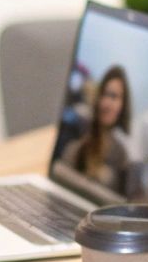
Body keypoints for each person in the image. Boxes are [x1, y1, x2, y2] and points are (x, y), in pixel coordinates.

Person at [58, 66, 137, 199]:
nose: (106, 103)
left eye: (114, 96)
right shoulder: (78, 129)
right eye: (104, 94)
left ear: (123, 105)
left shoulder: (122, 153)